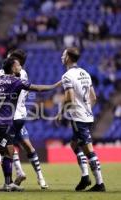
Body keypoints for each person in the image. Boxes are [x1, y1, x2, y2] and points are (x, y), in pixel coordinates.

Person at [0, 57, 60, 192]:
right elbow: (38, 89)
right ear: (12, 68)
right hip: (5, 124)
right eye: (18, 65)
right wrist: (54, 85)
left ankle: (8, 183)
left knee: (8, 151)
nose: (20, 67)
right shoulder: (16, 81)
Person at [57, 47, 105, 192]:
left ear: (68, 58)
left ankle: (100, 183)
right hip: (88, 115)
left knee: (89, 150)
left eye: (64, 54)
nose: (62, 56)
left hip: (78, 118)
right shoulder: (85, 73)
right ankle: (85, 177)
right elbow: (94, 97)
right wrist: (86, 109)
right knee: (74, 145)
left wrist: (61, 112)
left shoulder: (67, 76)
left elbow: (70, 98)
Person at [8, 49, 49, 189]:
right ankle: (40, 178)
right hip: (20, 115)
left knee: (6, 146)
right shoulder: (21, 73)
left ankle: (19, 172)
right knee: (27, 146)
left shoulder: (15, 75)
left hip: (10, 116)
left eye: (11, 58)